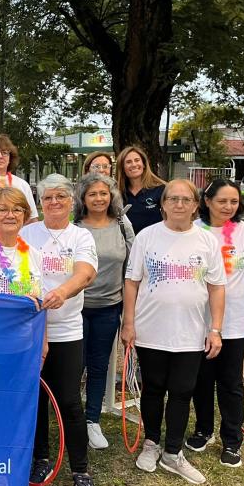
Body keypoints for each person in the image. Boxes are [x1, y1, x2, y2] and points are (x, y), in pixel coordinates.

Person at [121, 179, 226, 485]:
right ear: (163, 203)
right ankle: (152, 442)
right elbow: (132, 281)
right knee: (154, 388)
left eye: (186, 199)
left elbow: (217, 287)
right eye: (173, 199)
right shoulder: (147, 237)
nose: (179, 204)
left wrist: (215, 329)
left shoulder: (207, 242)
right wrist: (129, 322)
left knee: (182, 391)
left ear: (196, 205)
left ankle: (172, 452)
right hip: (151, 329)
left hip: (191, 333)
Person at [23, 174, 101, 486]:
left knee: (69, 401)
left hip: (67, 329)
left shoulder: (80, 236)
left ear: (72, 201)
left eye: (60, 197)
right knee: (36, 400)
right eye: (47, 198)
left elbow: (85, 273)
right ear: (39, 203)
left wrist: (60, 293)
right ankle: (41, 459)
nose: (53, 203)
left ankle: (81, 472)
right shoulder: (27, 233)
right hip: (27, 330)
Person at [187, 179, 244, 468]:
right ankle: (203, 430)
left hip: (234, 323)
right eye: (222, 200)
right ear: (207, 201)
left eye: (233, 201)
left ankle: (232, 441)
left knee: (230, 383)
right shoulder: (193, 231)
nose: (228, 207)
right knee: (201, 380)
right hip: (197, 321)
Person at [73, 172, 134, 450]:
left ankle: (92, 420)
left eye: (103, 193)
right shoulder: (74, 226)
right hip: (76, 308)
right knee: (76, 366)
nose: (98, 199)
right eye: (92, 194)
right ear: (83, 199)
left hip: (109, 308)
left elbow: (132, 266)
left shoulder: (122, 224)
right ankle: (70, 418)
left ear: (111, 197)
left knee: (99, 365)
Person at [116, 145, 166, 235]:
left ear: (144, 164)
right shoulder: (117, 193)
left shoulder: (161, 189)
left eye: (137, 160)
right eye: (128, 162)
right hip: (128, 245)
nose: (134, 164)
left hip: (154, 244)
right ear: (122, 168)